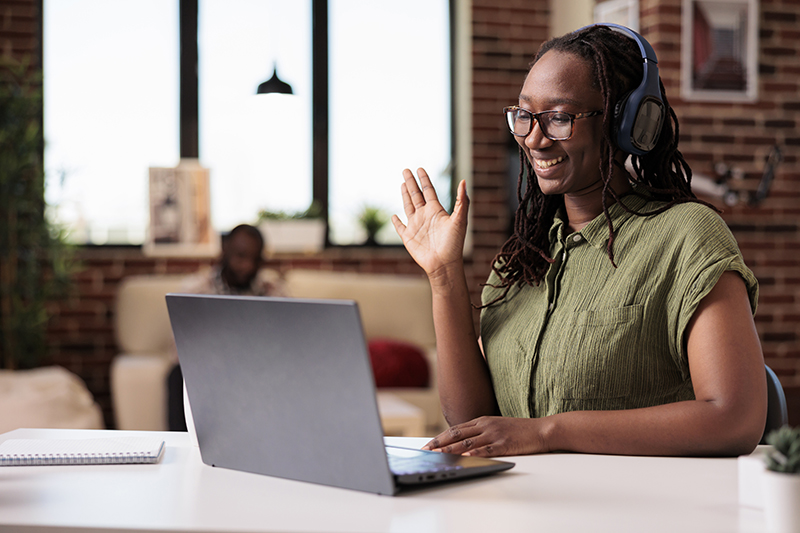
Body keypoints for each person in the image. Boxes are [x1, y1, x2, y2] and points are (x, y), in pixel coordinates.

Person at [391, 24, 767, 457]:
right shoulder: (523, 260)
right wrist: (444, 276)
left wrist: (549, 432)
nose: (533, 137)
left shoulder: (687, 238)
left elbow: (734, 418)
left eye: (559, 118)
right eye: (525, 116)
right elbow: (472, 420)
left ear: (627, 123)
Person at [167, 224, 287, 430]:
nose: (247, 266)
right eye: (241, 256)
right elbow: (182, 346)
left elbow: (287, 337)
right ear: (225, 250)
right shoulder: (196, 290)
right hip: (209, 369)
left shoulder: (271, 289)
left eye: (255, 259)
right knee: (177, 376)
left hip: (257, 369)